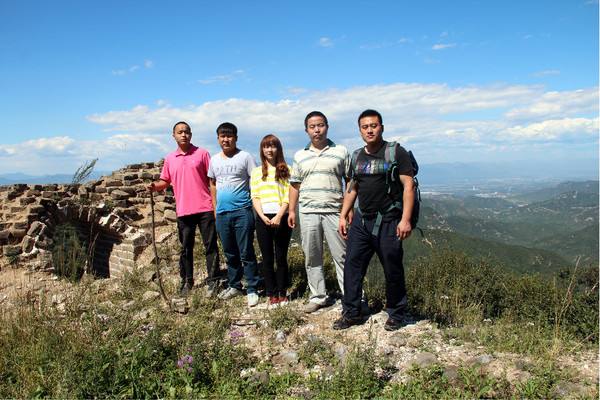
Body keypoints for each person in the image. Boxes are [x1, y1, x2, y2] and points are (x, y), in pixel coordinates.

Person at [333, 109, 414, 331]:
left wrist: (405, 219)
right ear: (360, 130)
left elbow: (409, 185)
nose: (370, 130)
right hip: (361, 220)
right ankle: (351, 312)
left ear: (382, 127)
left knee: (392, 267)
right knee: (352, 266)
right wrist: (343, 215)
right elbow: (352, 188)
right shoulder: (357, 155)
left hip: (388, 220)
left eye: (374, 125)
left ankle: (397, 313)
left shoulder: (396, 152)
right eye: (365, 127)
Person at [148, 121, 221, 296]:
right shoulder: (170, 159)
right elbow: (165, 181)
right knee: (185, 248)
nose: (184, 135)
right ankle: (187, 281)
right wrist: (154, 186)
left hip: (205, 208)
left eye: (187, 132)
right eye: (180, 132)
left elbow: (212, 181)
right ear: (173, 135)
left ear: (191, 134)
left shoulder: (202, 154)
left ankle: (213, 280)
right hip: (184, 210)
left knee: (210, 246)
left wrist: (215, 205)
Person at [288, 111, 350, 313]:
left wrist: (349, 210)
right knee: (312, 256)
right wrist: (291, 211)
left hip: (334, 211)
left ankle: (351, 296)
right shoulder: (300, 155)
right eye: (312, 126)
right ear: (306, 130)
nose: (317, 129)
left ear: (327, 126)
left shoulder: (341, 151)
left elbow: (350, 181)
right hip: (308, 212)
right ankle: (318, 296)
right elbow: (294, 185)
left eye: (321, 125)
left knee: (342, 256)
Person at [208, 122, 261, 307]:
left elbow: (255, 181)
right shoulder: (214, 160)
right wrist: (215, 208)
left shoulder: (245, 157)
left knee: (246, 251)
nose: (226, 139)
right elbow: (213, 183)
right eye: (222, 136)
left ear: (236, 138)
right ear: (218, 139)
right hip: (222, 213)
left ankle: (252, 287)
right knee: (230, 252)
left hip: (242, 211)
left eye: (229, 136)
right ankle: (235, 285)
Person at [250, 134, 293, 308]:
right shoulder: (256, 172)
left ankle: (282, 292)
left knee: (281, 257)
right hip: (262, 218)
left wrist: (278, 216)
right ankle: (271, 293)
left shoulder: (285, 169)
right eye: (266, 146)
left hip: (281, 217)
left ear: (278, 149)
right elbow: (255, 196)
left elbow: (287, 196)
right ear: (262, 149)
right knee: (267, 258)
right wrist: (262, 217)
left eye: (273, 146)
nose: (269, 149)